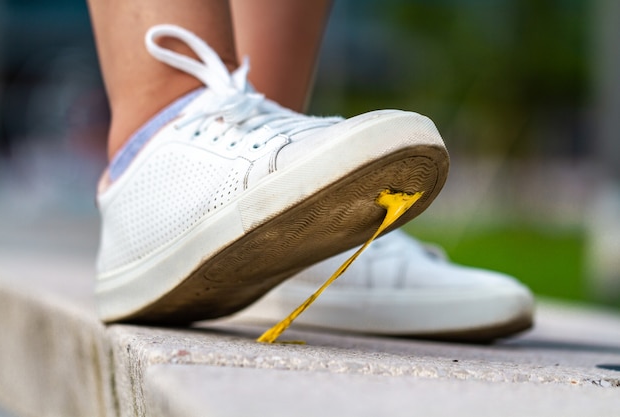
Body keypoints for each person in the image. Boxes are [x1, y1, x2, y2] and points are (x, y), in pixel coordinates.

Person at [87, 0, 533, 340]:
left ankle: (275, 215)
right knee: (174, 105)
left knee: (270, 125)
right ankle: (159, 131)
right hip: (153, 180)